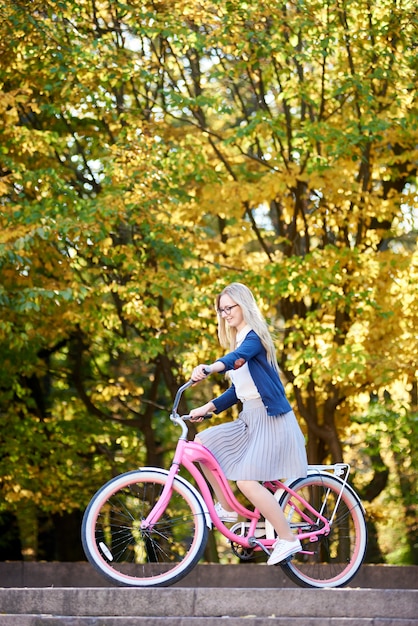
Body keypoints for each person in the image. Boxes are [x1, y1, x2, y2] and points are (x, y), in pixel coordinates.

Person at [189, 282, 308, 566]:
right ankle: (228, 509)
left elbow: (233, 360)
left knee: (246, 480)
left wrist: (210, 367)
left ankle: (287, 538)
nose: (225, 313)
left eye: (229, 307)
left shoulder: (253, 338)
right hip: (250, 419)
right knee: (201, 445)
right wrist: (207, 408)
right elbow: (238, 392)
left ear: (244, 306)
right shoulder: (240, 341)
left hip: (272, 420)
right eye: (221, 310)